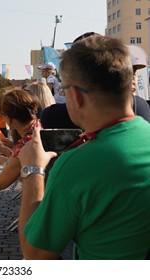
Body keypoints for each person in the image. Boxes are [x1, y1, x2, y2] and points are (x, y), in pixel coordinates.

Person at [17, 35, 150, 260]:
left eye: (64, 90)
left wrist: (33, 171)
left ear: (76, 96)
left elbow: (35, 254)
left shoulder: (76, 165)